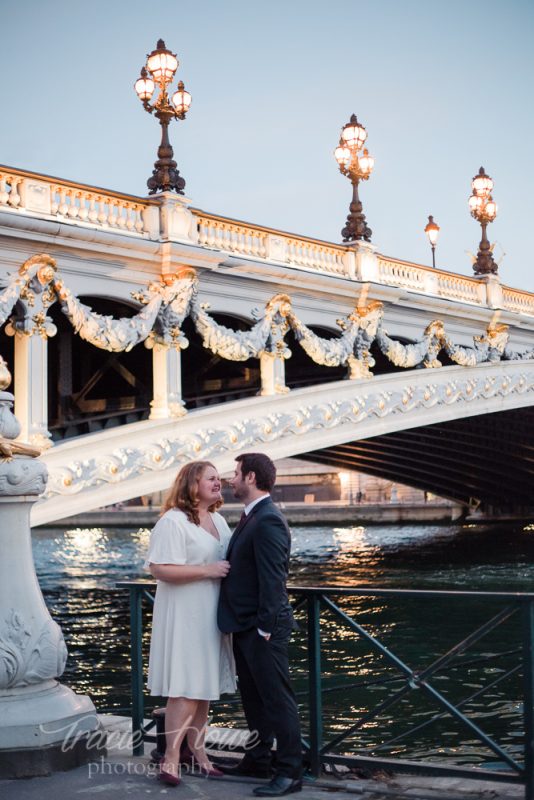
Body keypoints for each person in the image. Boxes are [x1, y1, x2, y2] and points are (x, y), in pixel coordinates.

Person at [144, 461, 236, 786]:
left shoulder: (219, 519)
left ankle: (199, 755)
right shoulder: (173, 521)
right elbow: (159, 569)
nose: (218, 483)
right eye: (210, 478)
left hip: (212, 614)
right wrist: (207, 571)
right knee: (186, 686)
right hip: (185, 613)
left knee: (204, 688)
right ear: (192, 483)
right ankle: (171, 758)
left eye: (219, 479)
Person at [218, 453, 302, 797]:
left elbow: (273, 579)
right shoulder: (253, 516)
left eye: (236, 474)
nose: (231, 479)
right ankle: (257, 758)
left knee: (277, 701)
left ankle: (290, 772)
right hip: (247, 624)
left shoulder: (267, 519)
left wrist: (265, 628)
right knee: (254, 699)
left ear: (251, 477)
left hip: (262, 627)